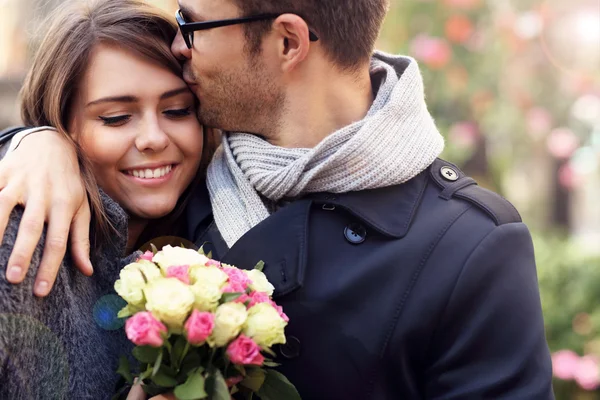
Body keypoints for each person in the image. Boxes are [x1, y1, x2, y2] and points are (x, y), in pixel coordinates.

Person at [0, 0, 554, 398]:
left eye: (191, 24)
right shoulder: (174, 184)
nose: (176, 45)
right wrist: (33, 140)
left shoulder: (471, 245)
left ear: (288, 42)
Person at [0, 0, 214, 398]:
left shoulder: (222, 229)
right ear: (61, 122)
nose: (153, 138)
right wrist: (30, 138)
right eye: (116, 118)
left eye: (178, 110)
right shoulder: (20, 240)